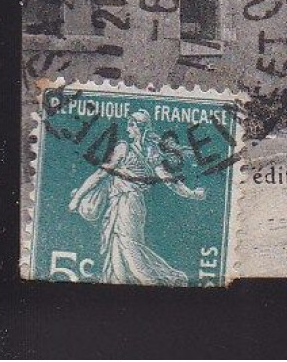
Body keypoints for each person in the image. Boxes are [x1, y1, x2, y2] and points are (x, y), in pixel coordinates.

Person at [67, 110, 206, 285]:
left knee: (127, 246)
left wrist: (77, 198)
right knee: (119, 247)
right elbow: (169, 181)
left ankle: (156, 282)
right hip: (133, 205)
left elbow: (100, 174)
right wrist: (192, 194)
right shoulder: (151, 153)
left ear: (138, 128)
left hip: (125, 204)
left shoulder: (123, 148)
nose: (127, 129)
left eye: (130, 125)